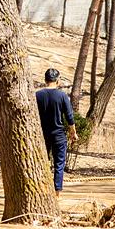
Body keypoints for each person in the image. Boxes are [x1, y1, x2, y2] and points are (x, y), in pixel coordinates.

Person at [35, 68, 77, 196]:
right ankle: (56, 192)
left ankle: (41, 189)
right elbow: (69, 117)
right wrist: (73, 133)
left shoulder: (37, 95)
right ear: (58, 80)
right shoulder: (62, 96)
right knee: (59, 163)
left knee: (42, 161)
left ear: (45, 80)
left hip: (42, 134)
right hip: (58, 134)